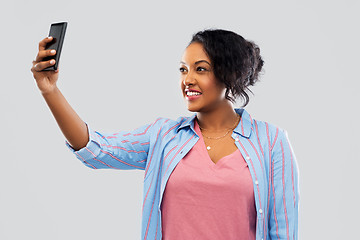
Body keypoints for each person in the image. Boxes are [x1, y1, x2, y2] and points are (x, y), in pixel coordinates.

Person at [31, 29, 299, 240]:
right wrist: (49, 91)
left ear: (231, 74)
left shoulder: (272, 141)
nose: (187, 79)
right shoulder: (163, 136)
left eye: (200, 69)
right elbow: (95, 149)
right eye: (183, 69)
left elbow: (283, 232)